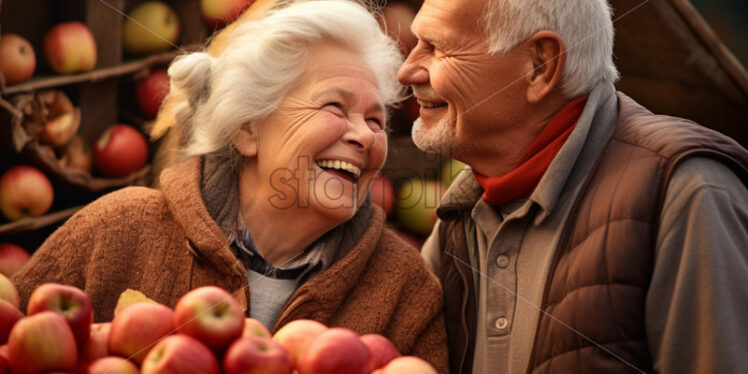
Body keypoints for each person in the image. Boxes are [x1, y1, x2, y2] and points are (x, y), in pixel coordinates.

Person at [12, 1, 448, 370]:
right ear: (247, 128)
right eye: (335, 106)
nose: (365, 136)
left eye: (375, 120)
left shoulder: (407, 294)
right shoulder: (116, 231)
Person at [397, 0, 748, 373]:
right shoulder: (460, 218)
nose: (407, 71)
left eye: (438, 48)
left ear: (540, 66)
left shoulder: (684, 191)